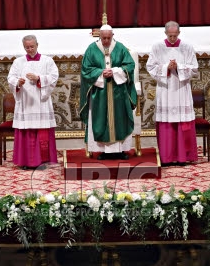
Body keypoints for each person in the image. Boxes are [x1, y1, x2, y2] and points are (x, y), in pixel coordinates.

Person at [79, 25, 137, 160]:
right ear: (99, 36)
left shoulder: (120, 48)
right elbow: (86, 70)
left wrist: (115, 71)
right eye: (103, 38)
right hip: (99, 93)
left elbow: (130, 65)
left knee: (119, 119)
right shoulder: (92, 49)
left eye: (108, 38)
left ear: (113, 35)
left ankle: (121, 150)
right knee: (100, 119)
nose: (106, 40)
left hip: (119, 92)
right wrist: (100, 73)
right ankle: (103, 150)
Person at [146, 21, 198, 165]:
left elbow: (194, 68)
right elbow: (150, 67)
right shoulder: (157, 47)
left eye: (175, 36)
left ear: (179, 33)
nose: (173, 39)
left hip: (181, 89)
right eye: (170, 36)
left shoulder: (187, 47)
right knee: (167, 123)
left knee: (182, 121)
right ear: (165, 33)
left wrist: (179, 67)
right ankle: (167, 157)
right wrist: (166, 67)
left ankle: (183, 157)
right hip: (166, 90)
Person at [7, 35, 59, 169]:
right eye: (27, 47)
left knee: (41, 132)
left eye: (32, 46)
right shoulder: (18, 62)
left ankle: (42, 161)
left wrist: (39, 78)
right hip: (25, 102)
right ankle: (25, 161)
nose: (29, 49)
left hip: (41, 103)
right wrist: (18, 82)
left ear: (37, 45)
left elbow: (54, 77)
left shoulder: (48, 61)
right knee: (26, 132)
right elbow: (10, 78)